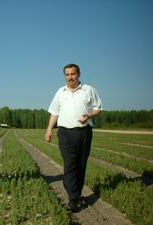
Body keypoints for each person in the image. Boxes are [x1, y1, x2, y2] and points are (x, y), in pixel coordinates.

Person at [45, 64, 102, 212]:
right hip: (65, 133)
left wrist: (89, 115)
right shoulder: (60, 92)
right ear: (65, 76)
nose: (70, 77)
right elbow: (54, 113)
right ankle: (72, 199)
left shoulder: (88, 90)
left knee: (81, 165)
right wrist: (49, 129)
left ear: (79, 74)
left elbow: (98, 109)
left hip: (84, 133)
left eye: (73, 74)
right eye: (67, 75)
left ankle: (77, 195)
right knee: (69, 165)